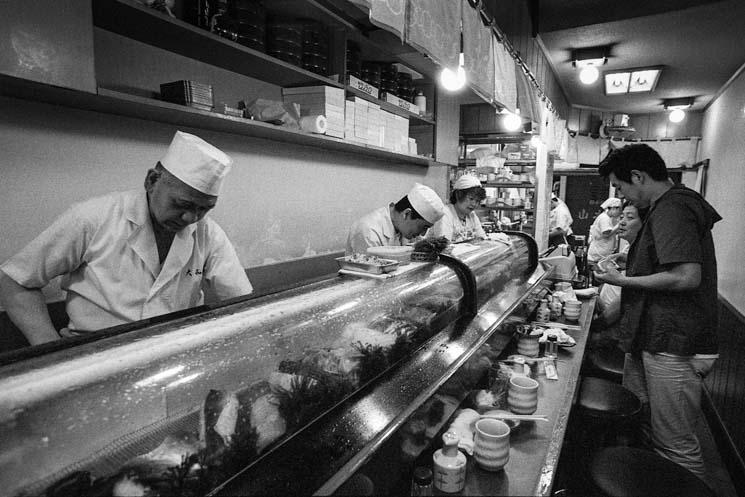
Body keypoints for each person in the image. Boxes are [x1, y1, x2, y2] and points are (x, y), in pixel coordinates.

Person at [0, 131, 253, 345]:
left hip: (175, 352)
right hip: (96, 354)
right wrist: (50, 349)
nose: (190, 218)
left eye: (204, 208)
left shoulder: (208, 233)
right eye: (181, 204)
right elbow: (14, 279)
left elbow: (242, 302)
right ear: (152, 180)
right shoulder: (93, 218)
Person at [593, 143, 721, 483]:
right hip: (655, 337)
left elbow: (686, 275)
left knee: (676, 445)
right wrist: (633, 263)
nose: (623, 198)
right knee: (650, 427)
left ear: (638, 176)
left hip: (673, 341)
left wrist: (622, 279)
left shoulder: (672, 207)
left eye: (620, 187)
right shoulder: (667, 206)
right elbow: (668, 264)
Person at [346, 183, 445, 255]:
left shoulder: (403, 227)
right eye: (423, 227)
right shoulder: (369, 231)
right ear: (406, 214)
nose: (423, 233)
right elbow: (370, 276)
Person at [593, 202, 643, 332]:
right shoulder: (629, 249)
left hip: (613, 324)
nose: (622, 222)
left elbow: (624, 301)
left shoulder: (643, 255)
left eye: (630, 218)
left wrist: (596, 326)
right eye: (622, 217)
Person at [427, 175, 486, 243]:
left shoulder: (472, 215)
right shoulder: (445, 214)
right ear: (458, 195)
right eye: (471, 199)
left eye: (477, 201)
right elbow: (444, 245)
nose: (474, 204)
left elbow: (482, 239)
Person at [587, 197, 622, 267]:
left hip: (601, 255)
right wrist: (619, 224)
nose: (619, 212)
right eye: (619, 210)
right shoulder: (604, 218)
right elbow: (606, 234)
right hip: (598, 257)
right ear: (613, 208)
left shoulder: (606, 218)